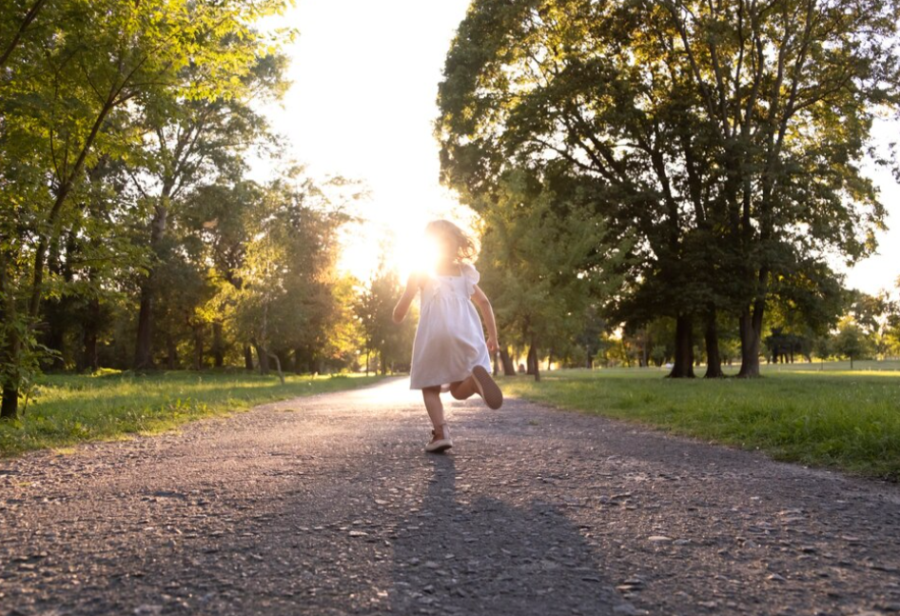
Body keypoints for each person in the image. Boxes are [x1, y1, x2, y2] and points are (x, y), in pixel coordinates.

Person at [392, 220, 503, 453]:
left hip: (435, 335)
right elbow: (484, 303)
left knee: (430, 386)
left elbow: (401, 308)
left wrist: (398, 314)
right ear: (457, 245)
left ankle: (441, 432)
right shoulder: (464, 273)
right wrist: (492, 337)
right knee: (456, 388)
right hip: (466, 333)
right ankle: (473, 382)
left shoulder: (421, 271)